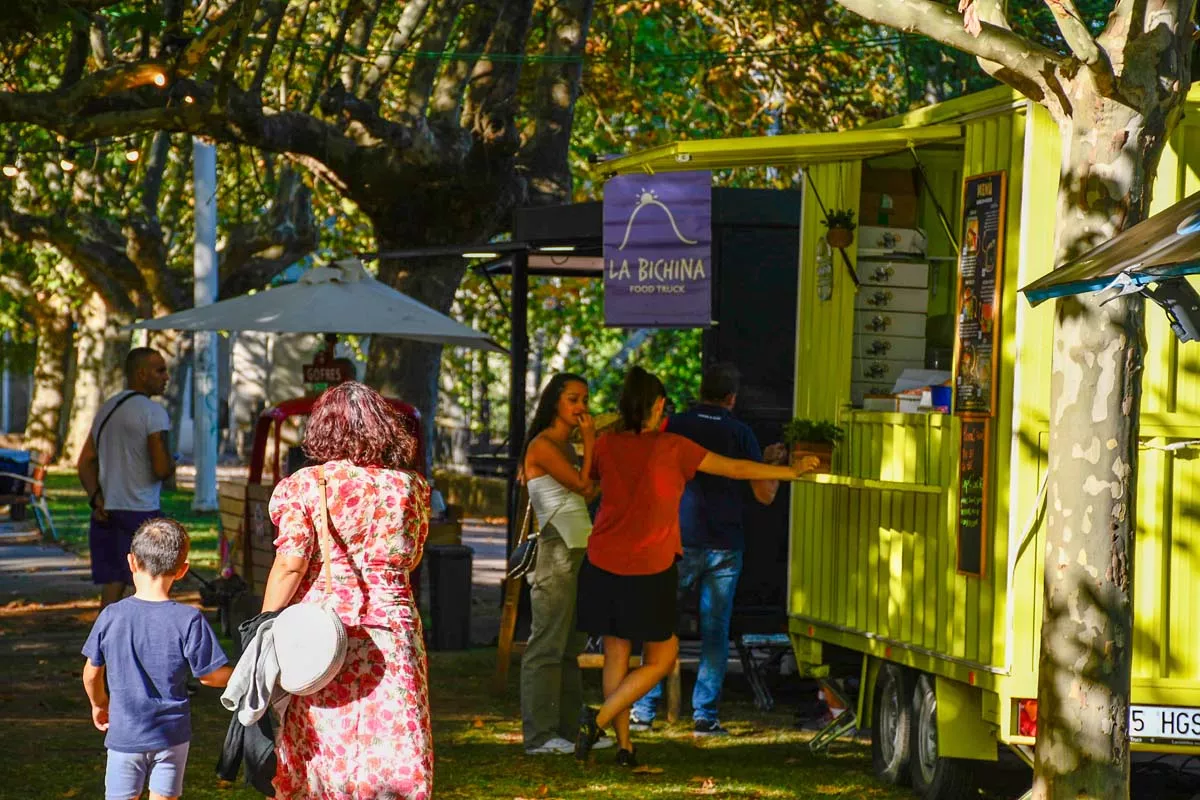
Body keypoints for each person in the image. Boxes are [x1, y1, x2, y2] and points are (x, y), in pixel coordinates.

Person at [574, 366, 820, 765]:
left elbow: (590, 484)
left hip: (602, 560)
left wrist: (590, 441)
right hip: (650, 565)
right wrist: (789, 471)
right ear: (657, 406)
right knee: (662, 657)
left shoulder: (605, 444)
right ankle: (598, 720)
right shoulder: (673, 447)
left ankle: (624, 746)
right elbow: (736, 468)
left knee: (617, 654)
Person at [263, 381, 433, 800]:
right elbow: (411, 559)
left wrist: (265, 622)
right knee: (392, 735)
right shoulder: (410, 488)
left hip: (322, 634)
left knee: (322, 735)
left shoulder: (304, 486)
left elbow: (290, 562)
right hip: (392, 629)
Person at [630, 363, 787, 735]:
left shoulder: (673, 426)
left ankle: (643, 708)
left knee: (658, 624)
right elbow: (764, 495)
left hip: (676, 540)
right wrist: (772, 465)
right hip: (725, 545)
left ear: (700, 390)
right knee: (715, 633)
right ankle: (705, 717)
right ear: (732, 398)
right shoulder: (740, 432)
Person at [82, 518, 233, 800]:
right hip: (171, 736)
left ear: (131, 562)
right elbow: (211, 676)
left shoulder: (111, 616)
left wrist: (99, 704)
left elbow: (91, 674)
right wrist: (248, 672)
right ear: (182, 570)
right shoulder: (189, 619)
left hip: (125, 735)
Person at [519, 374, 616, 756]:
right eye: (573, 399)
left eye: (586, 399)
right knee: (546, 645)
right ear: (554, 403)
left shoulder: (565, 446)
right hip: (556, 549)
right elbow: (581, 484)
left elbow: (590, 488)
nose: (582, 407)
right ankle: (539, 737)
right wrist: (592, 442)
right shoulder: (543, 446)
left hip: (578, 546)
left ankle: (569, 730)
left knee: (568, 647)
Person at [78, 347, 175, 608]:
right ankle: (148, 642)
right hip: (142, 512)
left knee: (113, 584)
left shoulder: (107, 408)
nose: (166, 377)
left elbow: (84, 462)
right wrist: (170, 463)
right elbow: (161, 468)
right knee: (152, 583)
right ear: (141, 374)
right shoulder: (153, 413)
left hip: (107, 511)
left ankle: (103, 645)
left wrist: (96, 498)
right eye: (160, 370)